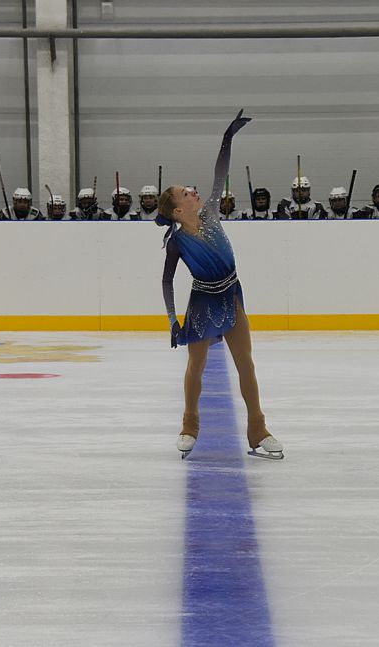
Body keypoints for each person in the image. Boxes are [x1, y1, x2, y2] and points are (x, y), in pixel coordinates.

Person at [157, 110, 283, 460]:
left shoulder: (211, 212)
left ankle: (258, 430)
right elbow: (167, 280)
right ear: (178, 210)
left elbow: (220, 174)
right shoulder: (176, 242)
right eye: (186, 193)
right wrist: (172, 320)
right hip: (202, 304)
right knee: (195, 367)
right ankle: (189, 426)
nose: (193, 192)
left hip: (231, 297)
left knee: (246, 363)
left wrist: (228, 138)